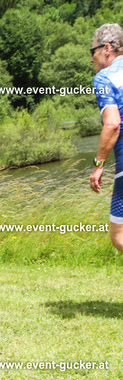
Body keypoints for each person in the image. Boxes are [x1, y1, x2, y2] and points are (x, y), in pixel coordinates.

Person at [89, 22, 123, 252]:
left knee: (119, 235)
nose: (92, 58)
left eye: (93, 51)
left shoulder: (104, 78)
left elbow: (112, 124)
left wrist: (99, 165)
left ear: (107, 48)